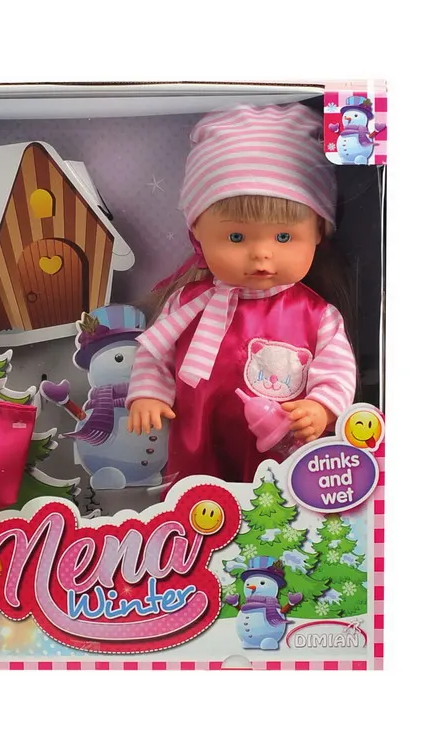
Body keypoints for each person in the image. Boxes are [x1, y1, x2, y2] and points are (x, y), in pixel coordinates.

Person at [126, 104, 356, 485]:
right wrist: (149, 395)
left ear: (318, 231)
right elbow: (155, 354)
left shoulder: (316, 315)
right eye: (236, 237)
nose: (261, 254)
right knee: (197, 500)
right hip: (199, 444)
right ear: (197, 232)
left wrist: (321, 407)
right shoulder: (187, 304)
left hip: (283, 454)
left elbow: (337, 370)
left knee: (278, 499)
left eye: (284, 236)